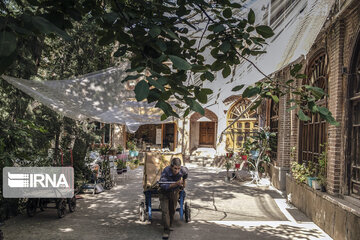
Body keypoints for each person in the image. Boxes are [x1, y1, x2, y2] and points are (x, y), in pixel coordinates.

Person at [159, 158, 188, 239]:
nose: (177, 170)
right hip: (164, 192)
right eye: (175, 168)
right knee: (165, 211)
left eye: (178, 168)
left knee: (172, 210)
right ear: (171, 166)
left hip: (174, 192)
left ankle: (169, 224)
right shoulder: (166, 171)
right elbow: (164, 186)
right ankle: (166, 230)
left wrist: (184, 183)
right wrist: (176, 183)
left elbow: (186, 174)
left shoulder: (183, 170)